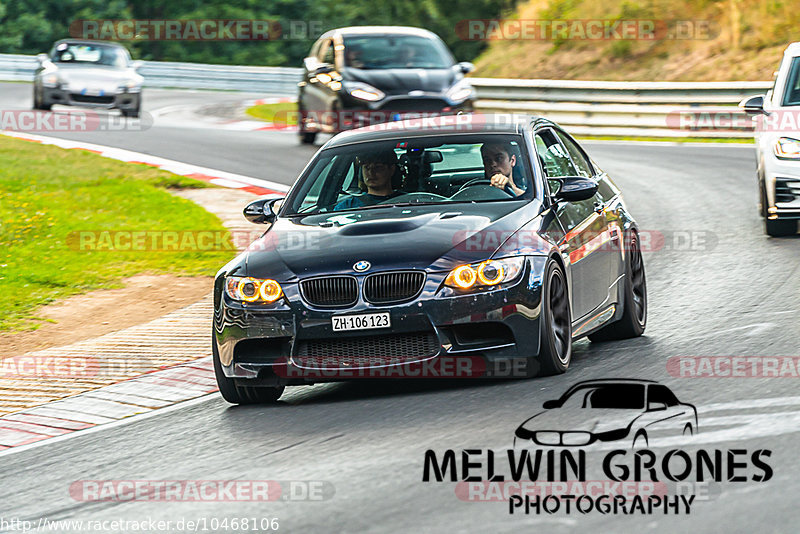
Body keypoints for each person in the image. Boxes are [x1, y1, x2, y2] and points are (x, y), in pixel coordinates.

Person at [335, 150, 402, 210]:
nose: (371, 173)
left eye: (378, 167)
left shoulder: (407, 201)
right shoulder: (347, 206)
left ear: (392, 169)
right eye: (367, 168)